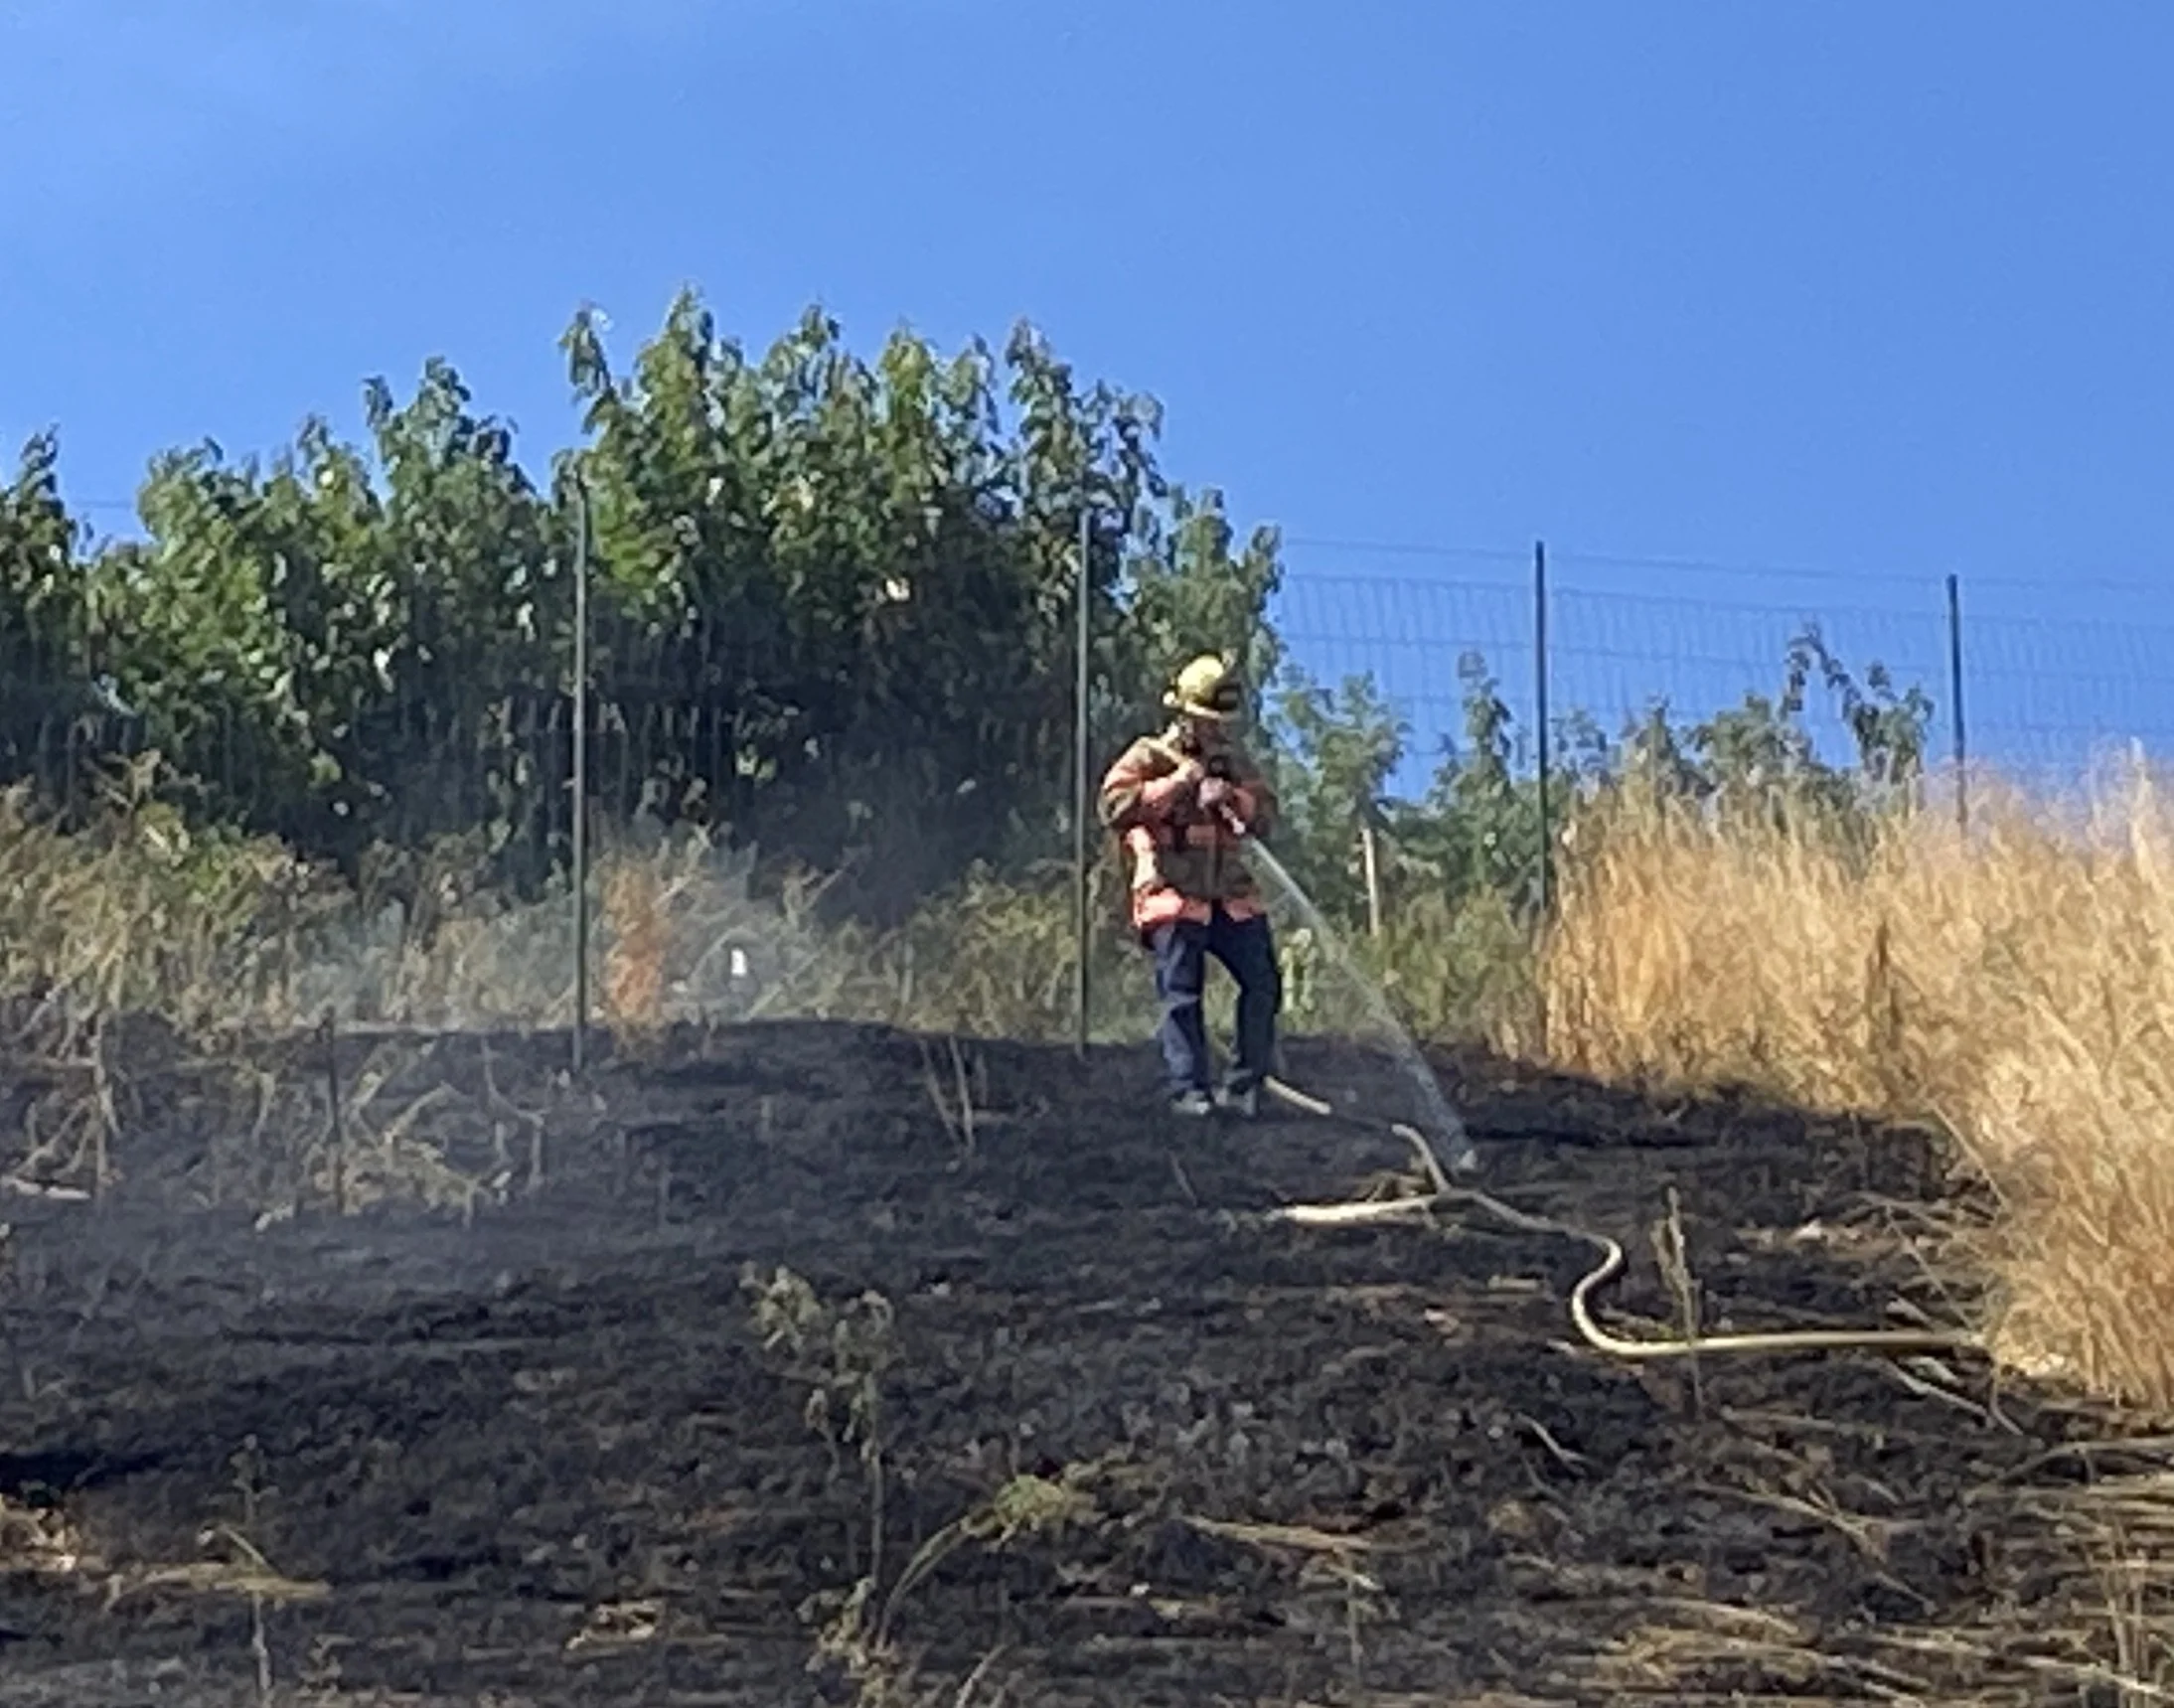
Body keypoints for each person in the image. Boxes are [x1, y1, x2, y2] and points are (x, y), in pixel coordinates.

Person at [1099, 654, 1284, 1118]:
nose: (1215, 730)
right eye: (1206, 720)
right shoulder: (1149, 756)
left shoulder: (1235, 764)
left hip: (1231, 896)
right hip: (1174, 893)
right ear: (1183, 714)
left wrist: (1232, 796)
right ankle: (1189, 1090)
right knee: (1182, 993)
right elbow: (1114, 805)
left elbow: (1266, 814)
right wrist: (1178, 784)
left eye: (1221, 722)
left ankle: (1245, 1086)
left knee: (1263, 982)